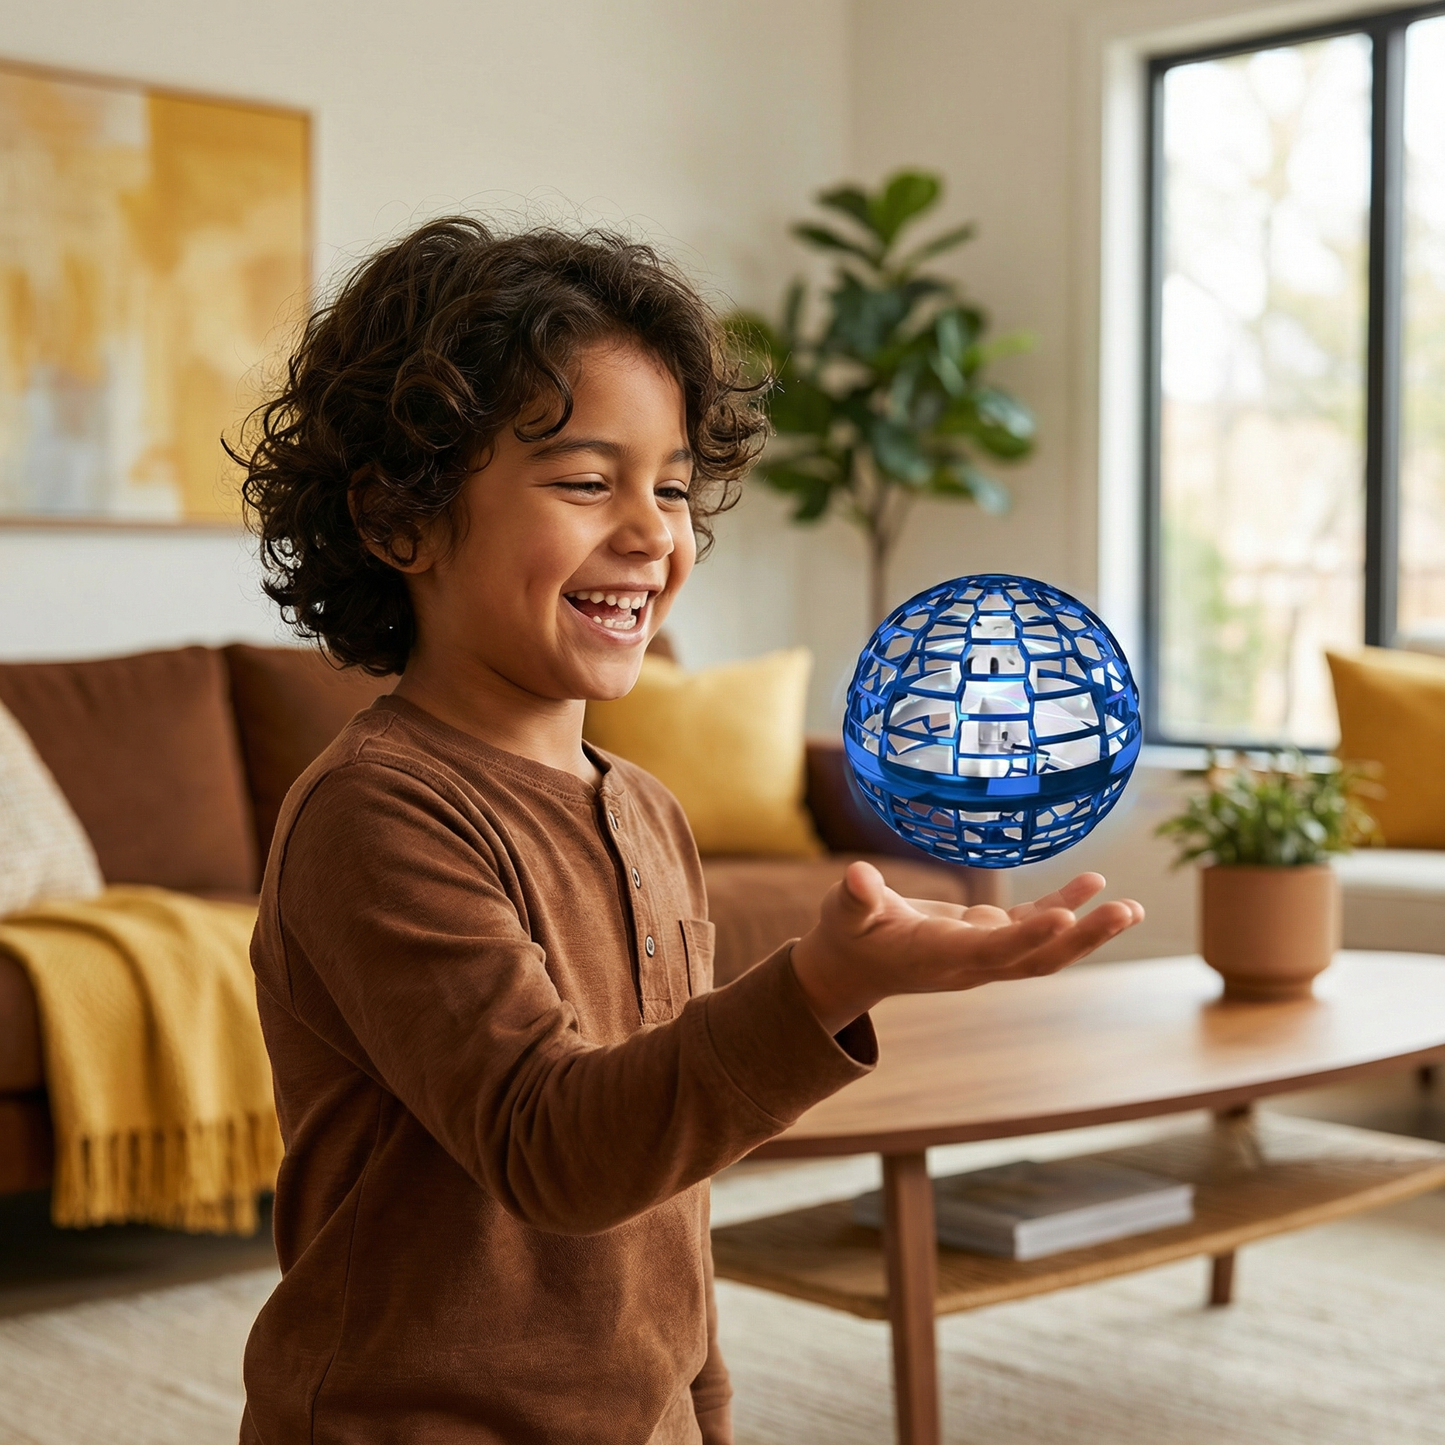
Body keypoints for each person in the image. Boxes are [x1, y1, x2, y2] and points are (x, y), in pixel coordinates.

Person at [234, 216, 1143, 1445]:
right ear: (400, 520)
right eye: (584, 480)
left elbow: (667, 1191)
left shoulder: (647, 809)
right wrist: (819, 980)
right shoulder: (379, 810)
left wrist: (698, 1408)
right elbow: (555, 1148)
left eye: (669, 486)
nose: (653, 531)